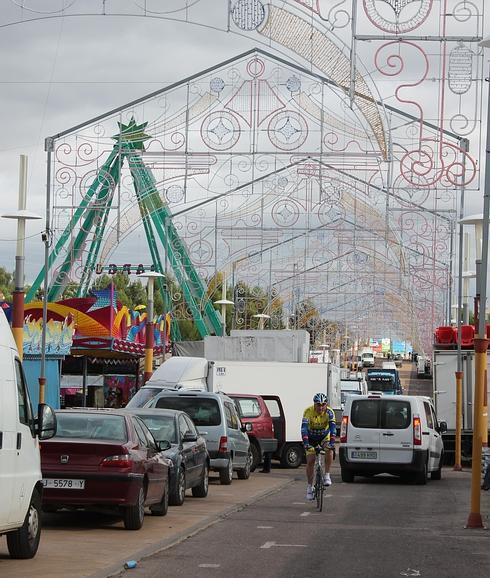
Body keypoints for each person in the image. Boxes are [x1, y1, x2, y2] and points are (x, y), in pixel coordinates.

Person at [301, 392, 336, 501]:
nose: (321, 407)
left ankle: (327, 475)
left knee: (329, 450)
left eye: (323, 404)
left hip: (323, 437)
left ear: (326, 405)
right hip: (311, 438)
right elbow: (304, 429)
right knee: (311, 460)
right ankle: (309, 487)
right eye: (318, 404)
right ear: (314, 404)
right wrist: (306, 444)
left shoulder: (330, 412)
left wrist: (332, 442)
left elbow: (333, 429)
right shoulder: (308, 411)